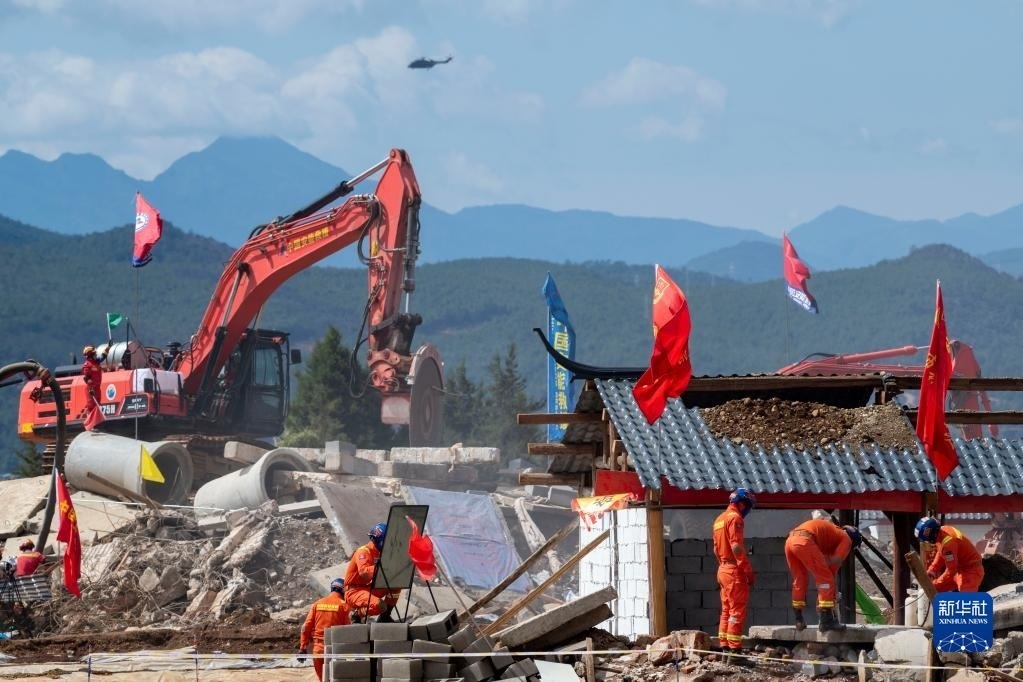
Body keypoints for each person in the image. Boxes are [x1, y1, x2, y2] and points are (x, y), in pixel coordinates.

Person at [785, 518, 862, 632]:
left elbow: (828, 567)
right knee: (826, 579)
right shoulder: (847, 539)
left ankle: (798, 619)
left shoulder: (831, 536)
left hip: (790, 541)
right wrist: (830, 598)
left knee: (800, 579)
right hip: (805, 541)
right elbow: (834, 563)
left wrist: (826, 598)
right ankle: (826, 621)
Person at [713, 488, 756, 667]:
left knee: (726, 611)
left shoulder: (719, 519)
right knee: (736, 612)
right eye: (748, 506)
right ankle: (735, 653)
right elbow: (736, 547)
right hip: (733, 570)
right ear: (742, 504)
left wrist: (724, 564)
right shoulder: (735, 518)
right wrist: (747, 570)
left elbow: (716, 548)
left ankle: (726, 650)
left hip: (722, 568)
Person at [344, 522, 402, 620]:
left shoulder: (379, 553)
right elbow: (364, 573)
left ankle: (385, 617)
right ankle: (358, 614)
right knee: (380, 605)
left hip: (366, 588)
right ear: (379, 541)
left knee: (395, 585)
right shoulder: (363, 551)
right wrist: (382, 567)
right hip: (353, 592)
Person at [299, 577, 350, 681]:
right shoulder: (344, 606)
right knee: (337, 679)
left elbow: (305, 627)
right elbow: (348, 631)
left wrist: (303, 648)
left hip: (318, 650)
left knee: (322, 679)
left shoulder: (317, 604)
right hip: (336, 649)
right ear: (343, 590)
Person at [915, 516, 984, 593]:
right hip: (959, 570)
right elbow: (941, 552)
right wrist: (932, 570)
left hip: (971, 572)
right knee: (936, 589)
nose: (928, 542)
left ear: (932, 534)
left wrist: (936, 583)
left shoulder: (948, 544)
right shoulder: (943, 530)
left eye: (927, 540)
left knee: (965, 599)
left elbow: (951, 570)